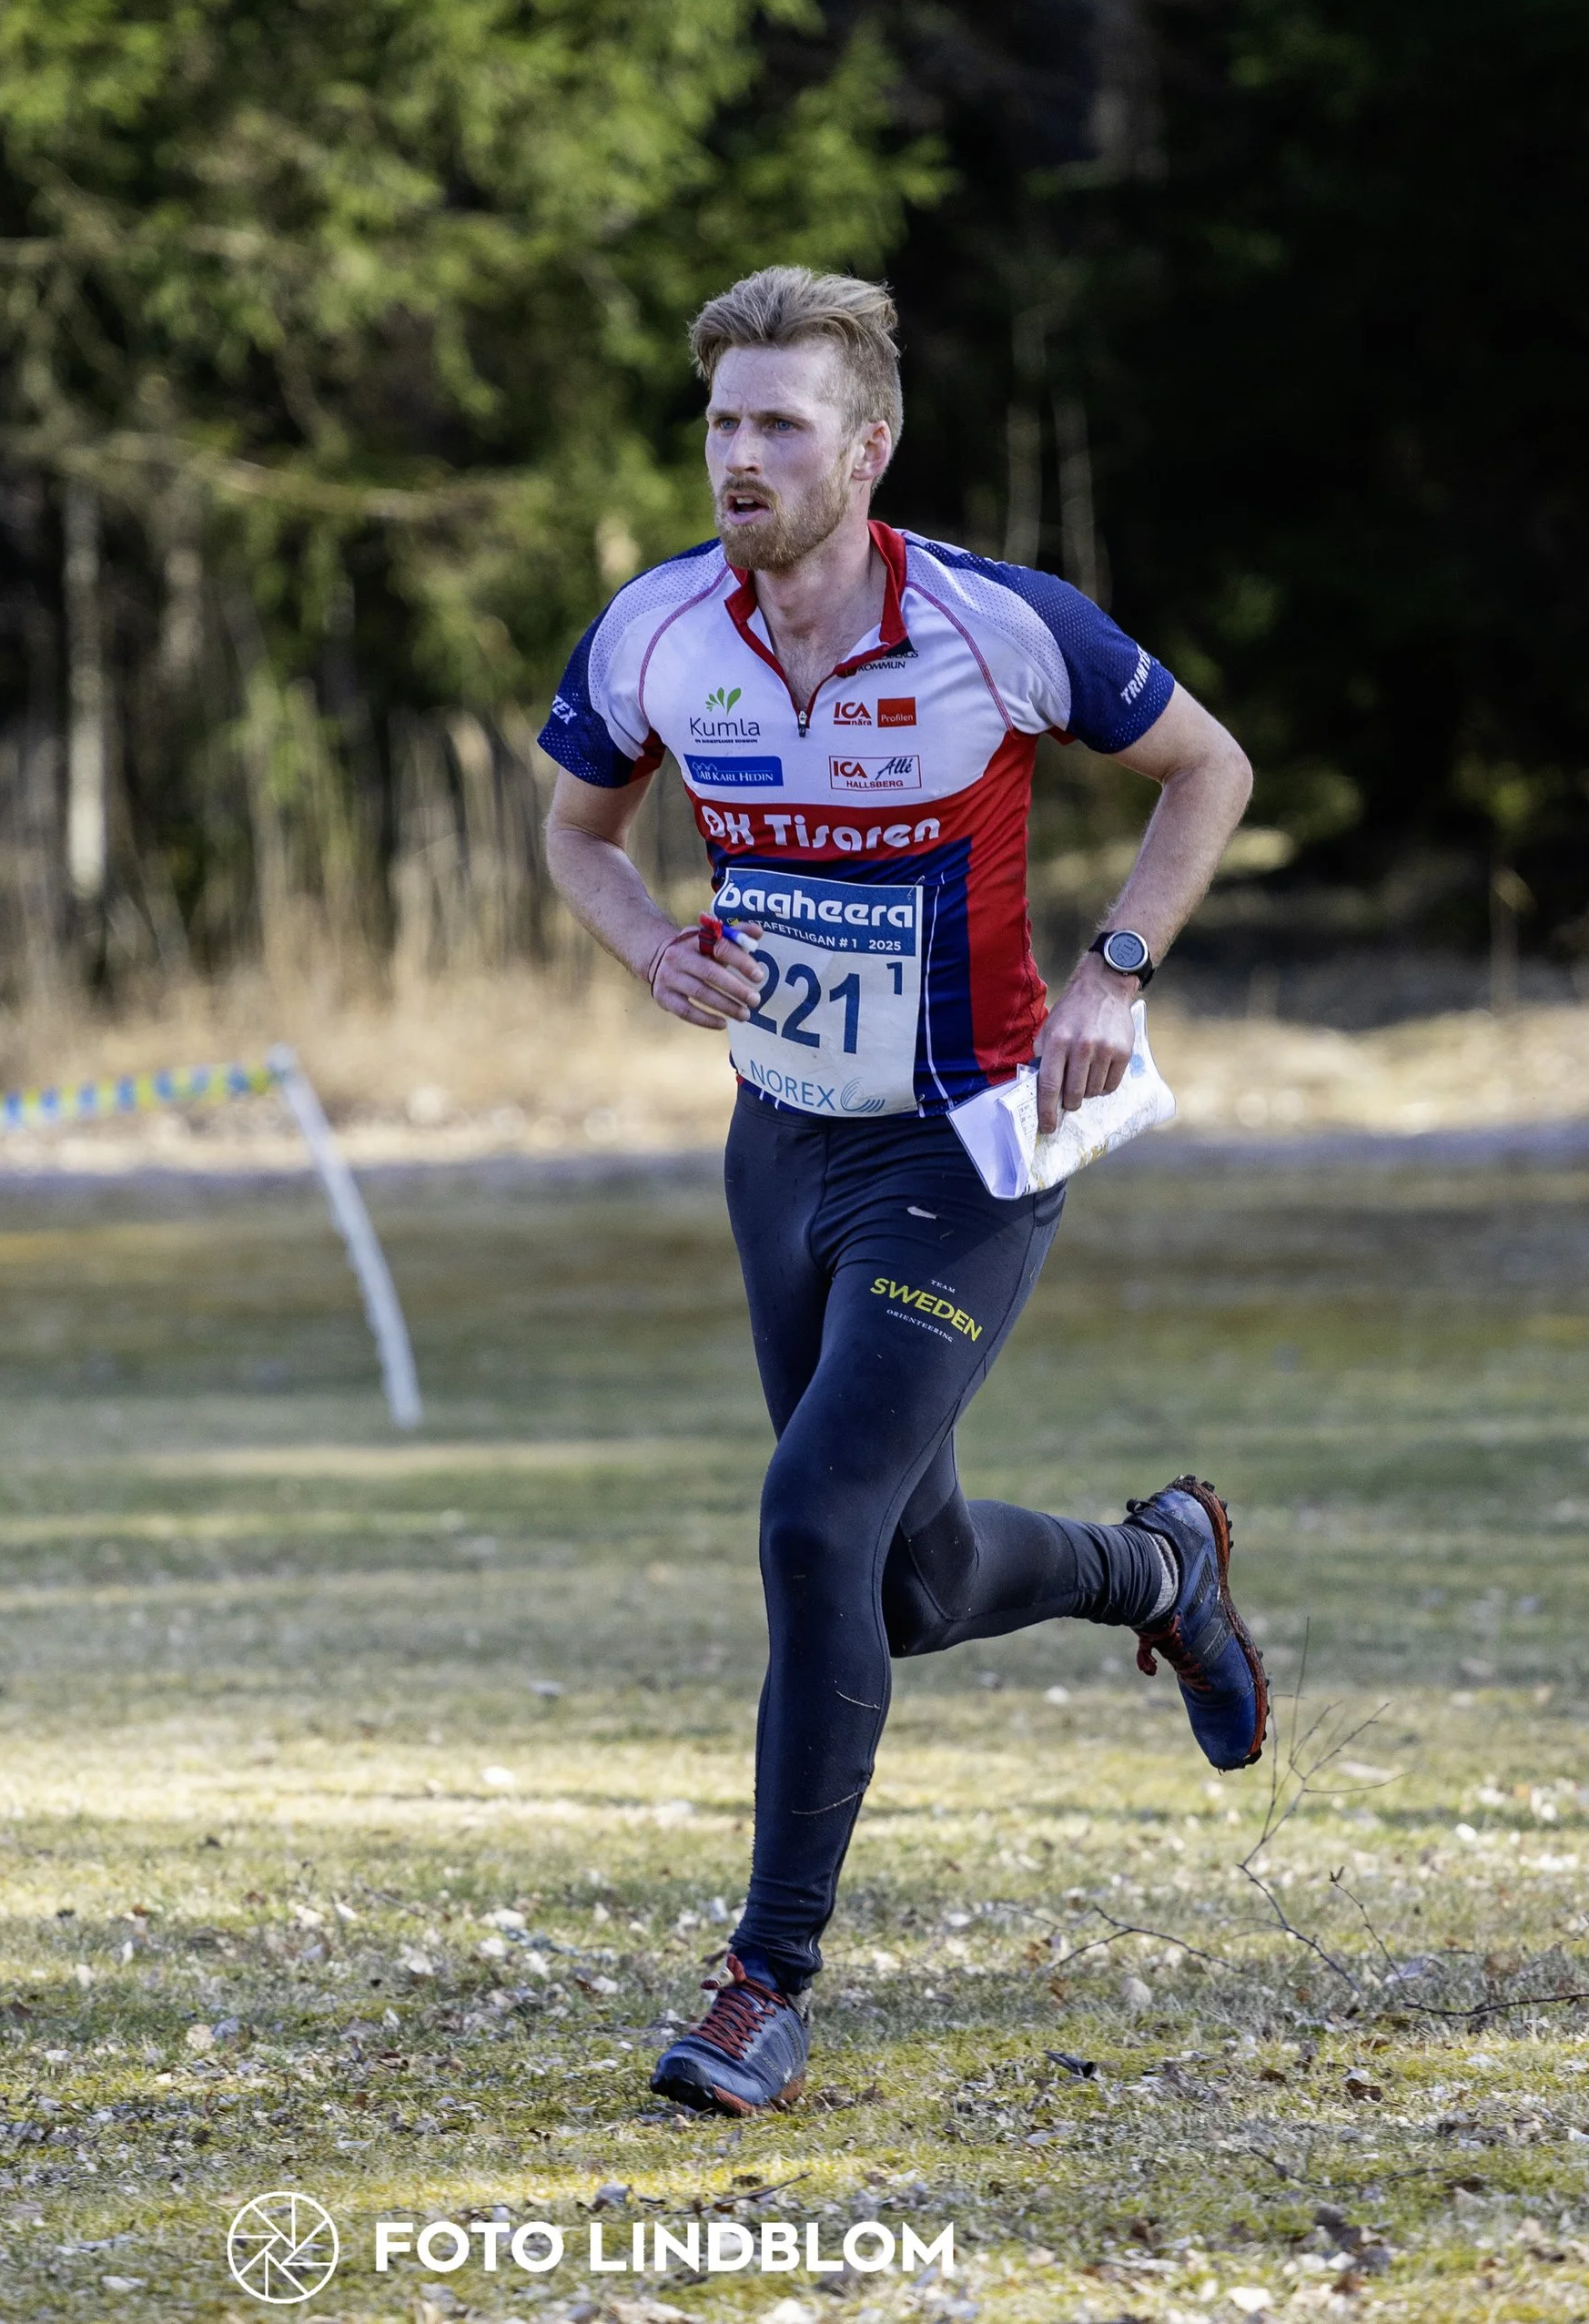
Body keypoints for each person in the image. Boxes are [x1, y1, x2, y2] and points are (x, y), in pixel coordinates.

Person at [538, 266, 1266, 2118]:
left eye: (777, 424)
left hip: (965, 1150)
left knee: (807, 1521)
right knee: (907, 1572)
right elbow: (572, 825)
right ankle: (1154, 1561)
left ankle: (759, 1981)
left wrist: (1114, 966)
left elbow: (1204, 767)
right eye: (718, 423)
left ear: (864, 449)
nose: (737, 456)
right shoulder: (654, 632)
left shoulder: (987, 624)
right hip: (774, 1145)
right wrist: (643, 948)